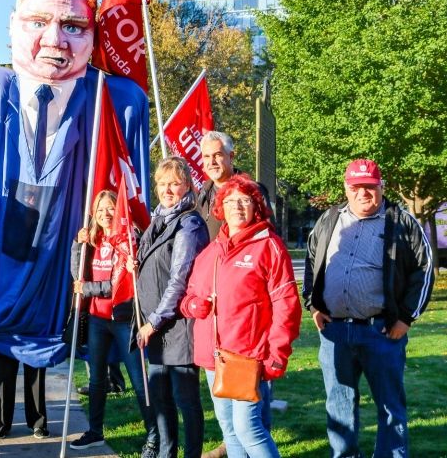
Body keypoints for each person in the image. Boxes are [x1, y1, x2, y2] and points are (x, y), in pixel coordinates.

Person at [0, 0, 149, 441]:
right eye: (38, 21)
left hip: (67, 270)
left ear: (93, 38)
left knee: (43, 355)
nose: (56, 39)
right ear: (11, 26)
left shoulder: (117, 102)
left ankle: (45, 418)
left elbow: (136, 200)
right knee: (7, 359)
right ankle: (4, 420)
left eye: (73, 26)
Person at [303, 159, 432, 457]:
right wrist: (313, 305)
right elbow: (312, 261)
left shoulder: (401, 221)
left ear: (381, 187)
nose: (363, 193)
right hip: (334, 332)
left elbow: (424, 271)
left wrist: (406, 318)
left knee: (390, 406)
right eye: (356, 187)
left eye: (370, 187)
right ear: (347, 189)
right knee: (338, 406)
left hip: (382, 332)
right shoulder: (329, 219)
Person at [182, 174, 301, 458]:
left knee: (248, 429)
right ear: (220, 208)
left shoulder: (268, 246)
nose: (237, 206)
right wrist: (193, 305)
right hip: (213, 357)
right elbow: (188, 297)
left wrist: (277, 353)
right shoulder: (211, 251)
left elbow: (287, 304)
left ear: (256, 207)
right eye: (231, 200)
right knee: (229, 431)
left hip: (247, 355)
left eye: (245, 200)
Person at [68, 190, 158, 453]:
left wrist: (88, 289)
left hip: (123, 318)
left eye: (110, 208)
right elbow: (77, 277)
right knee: (96, 380)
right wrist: (77, 243)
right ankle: (95, 431)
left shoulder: (127, 238)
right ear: (93, 214)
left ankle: (153, 437)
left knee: (138, 379)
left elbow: (120, 284)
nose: (106, 214)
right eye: (100, 210)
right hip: (97, 319)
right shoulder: (93, 239)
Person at [132, 157, 209, 458]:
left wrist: (153, 322)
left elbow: (179, 279)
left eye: (175, 183)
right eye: (163, 184)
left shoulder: (188, 224)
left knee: (186, 401)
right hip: (156, 330)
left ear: (187, 186)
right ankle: (166, 453)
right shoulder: (158, 220)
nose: (168, 189)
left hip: (175, 327)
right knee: (161, 400)